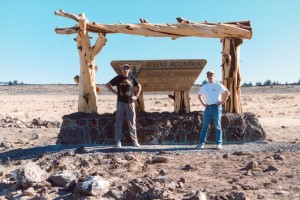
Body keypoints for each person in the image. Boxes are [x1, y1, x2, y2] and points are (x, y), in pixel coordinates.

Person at [106, 64, 142, 148]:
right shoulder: (118, 78)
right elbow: (107, 85)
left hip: (130, 102)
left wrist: (136, 96)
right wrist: (115, 93)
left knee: (132, 121)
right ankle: (118, 141)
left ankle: (135, 141)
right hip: (121, 102)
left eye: (127, 69)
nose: (125, 70)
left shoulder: (131, 78)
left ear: (129, 70)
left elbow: (139, 86)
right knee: (119, 121)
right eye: (124, 68)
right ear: (122, 70)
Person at [196, 70, 230, 149]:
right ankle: (201, 143)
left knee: (217, 125)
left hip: (216, 107)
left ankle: (219, 143)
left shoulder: (218, 85)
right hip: (208, 107)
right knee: (204, 126)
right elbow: (199, 95)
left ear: (214, 76)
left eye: (211, 75)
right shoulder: (205, 86)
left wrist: (222, 101)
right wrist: (203, 103)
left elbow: (227, 92)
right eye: (208, 75)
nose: (210, 76)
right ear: (207, 77)